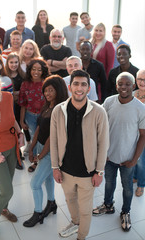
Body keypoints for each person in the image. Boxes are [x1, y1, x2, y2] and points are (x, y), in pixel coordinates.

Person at [50, 69, 109, 240]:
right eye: (76, 83)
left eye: (84, 84)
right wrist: (55, 167)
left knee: (85, 209)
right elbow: (53, 141)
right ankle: (75, 223)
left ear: (88, 88)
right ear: (70, 86)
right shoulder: (58, 110)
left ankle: (81, 236)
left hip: (88, 173)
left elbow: (104, 144)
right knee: (70, 201)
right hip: (65, 170)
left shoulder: (99, 112)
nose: (79, 88)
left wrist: (99, 171)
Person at [93, 72, 145, 232]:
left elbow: (143, 136)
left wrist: (134, 159)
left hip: (127, 159)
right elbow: (99, 126)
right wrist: (101, 153)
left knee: (127, 187)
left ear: (133, 86)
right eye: (120, 84)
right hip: (108, 156)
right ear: (116, 86)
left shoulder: (140, 108)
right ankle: (108, 205)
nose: (123, 87)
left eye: (127, 84)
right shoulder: (109, 102)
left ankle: (125, 212)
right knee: (109, 183)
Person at [23, 75, 68, 228]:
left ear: (59, 90)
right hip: (41, 147)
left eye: (51, 90)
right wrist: (32, 148)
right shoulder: (47, 106)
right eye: (45, 91)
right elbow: (39, 128)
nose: (47, 94)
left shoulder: (60, 109)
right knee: (48, 178)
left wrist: (40, 156)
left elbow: (52, 136)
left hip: (52, 151)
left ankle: (38, 213)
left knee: (35, 183)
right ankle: (52, 203)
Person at [0, 73, 24, 240]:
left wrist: (20, 133)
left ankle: (4, 209)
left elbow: (12, 119)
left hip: (11, 147)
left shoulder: (8, 97)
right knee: (7, 190)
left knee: (8, 184)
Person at [19, 58, 49, 172]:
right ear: (29, 70)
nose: (36, 72)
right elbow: (23, 104)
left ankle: (41, 159)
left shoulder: (46, 82)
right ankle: (36, 161)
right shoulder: (25, 84)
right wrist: (22, 121)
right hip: (30, 116)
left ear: (43, 71)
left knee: (42, 138)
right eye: (33, 69)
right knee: (34, 139)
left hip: (44, 117)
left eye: (39, 70)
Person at [5, 52, 30, 169]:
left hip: (21, 106)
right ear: (7, 63)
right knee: (13, 130)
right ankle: (17, 155)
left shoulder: (22, 75)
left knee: (20, 128)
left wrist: (17, 93)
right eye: (11, 62)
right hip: (9, 107)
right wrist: (14, 94)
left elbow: (26, 91)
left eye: (16, 62)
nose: (14, 65)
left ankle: (20, 150)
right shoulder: (5, 76)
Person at [133, 69, 145, 197]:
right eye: (140, 79)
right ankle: (135, 176)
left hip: (144, 135)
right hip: (132, 133)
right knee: (134, 157)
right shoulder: (132, 94)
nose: (142, 82)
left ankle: (141, 185)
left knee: (142, 161)